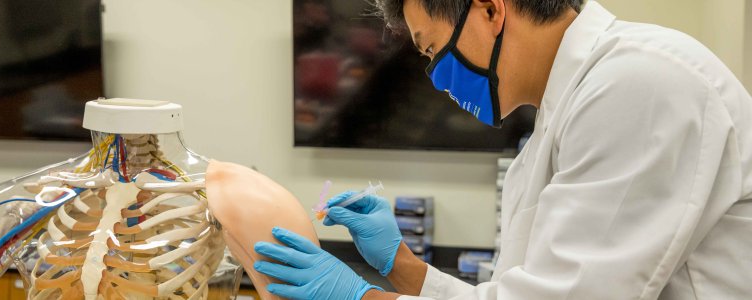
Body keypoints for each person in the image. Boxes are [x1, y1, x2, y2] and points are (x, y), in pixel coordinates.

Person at [253, 0, 752, 299]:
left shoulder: (640, 83)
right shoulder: (563, 113)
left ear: (490, 9)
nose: (438, 80)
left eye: (432, 50)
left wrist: (358, 296)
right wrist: (402, 268)